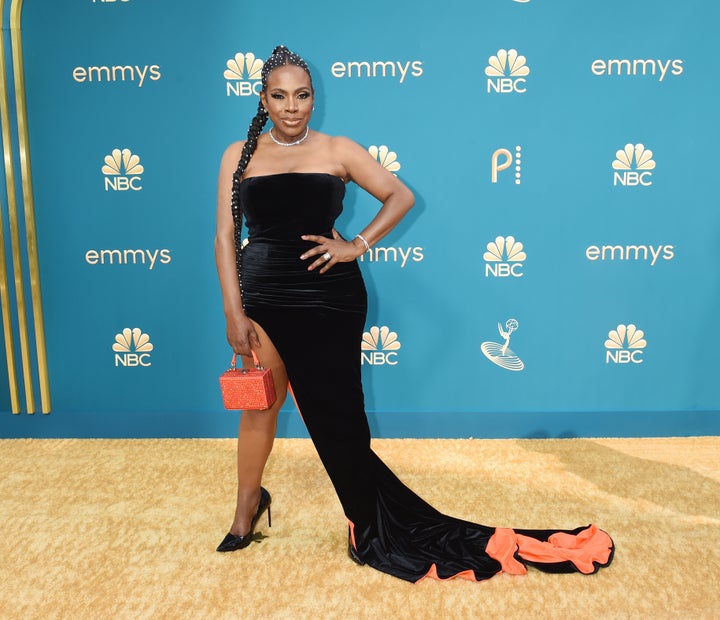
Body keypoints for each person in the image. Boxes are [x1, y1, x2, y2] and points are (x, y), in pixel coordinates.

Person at [214, 45, 614, 583]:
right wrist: (231, 310)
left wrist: (355, 243)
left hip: (329, 301)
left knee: (342, 422)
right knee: (260, 406)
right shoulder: (239, 154)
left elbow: (399, 195)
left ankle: (365, 519)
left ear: (314, 99)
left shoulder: (338, 149)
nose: (292, 107)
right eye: (280, 96)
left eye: (303, 95)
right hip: (261, 299)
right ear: (263, 98)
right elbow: (223, 237)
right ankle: (246, 511)